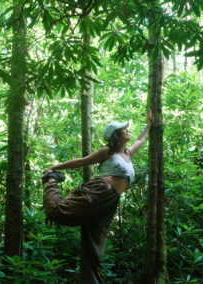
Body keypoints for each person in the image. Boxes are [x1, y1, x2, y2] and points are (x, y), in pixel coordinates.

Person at [42, 111, 154, 284]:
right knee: (59, 212)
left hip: (110, 201)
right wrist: (54, 168)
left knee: (94, 245)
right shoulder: (107, 152)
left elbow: (141, 140)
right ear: (116, 135)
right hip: (101, 189)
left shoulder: (128, 153)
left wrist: (149, 125)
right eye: (123, 130)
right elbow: (81, 161)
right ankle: (51, 181)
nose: (127, 131)